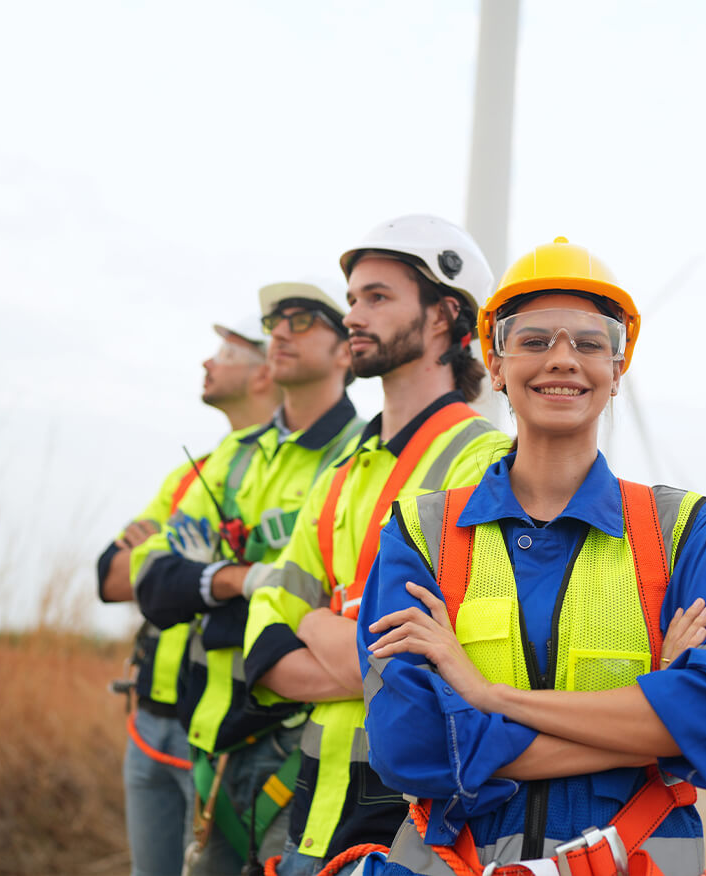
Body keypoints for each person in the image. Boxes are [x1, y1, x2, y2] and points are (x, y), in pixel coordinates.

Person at [357, 237, 706, 876]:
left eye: (589, 342)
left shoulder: (683, 530)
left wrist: (488, 696)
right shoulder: (421, 531)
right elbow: (412, 745)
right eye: (535, 340)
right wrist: (656, 719)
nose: (563, 360)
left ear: (617, 369)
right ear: (495, 365)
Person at [215, 215, 514, 876]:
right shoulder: (340, 471)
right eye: (353, 298)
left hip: (413, 824)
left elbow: (443, 672)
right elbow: (264, 638)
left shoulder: (487, 466)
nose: (354, 314)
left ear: (444, 316)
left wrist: (319, 620)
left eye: (377, 297)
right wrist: (356, 649)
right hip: (309, 812)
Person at [130, 283, 365, 874]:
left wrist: (207, 576)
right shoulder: (233, 454)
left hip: (302, 746)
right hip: (211, 740)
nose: (280, 331)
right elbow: (155, 585)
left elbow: (342, 604)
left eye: (303, 318)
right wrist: (245, 580)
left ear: (346, 350)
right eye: (274, 319)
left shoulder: (363, 457)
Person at [98, 319, 278, 876]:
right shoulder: (191, 474)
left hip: (227, 732)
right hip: (149, 721)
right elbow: (113, 576)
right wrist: (179, 561)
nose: (207, 362)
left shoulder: (294, 471)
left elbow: (277, 580)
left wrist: (176, 563)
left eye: (227, 351)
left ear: (266, 372)